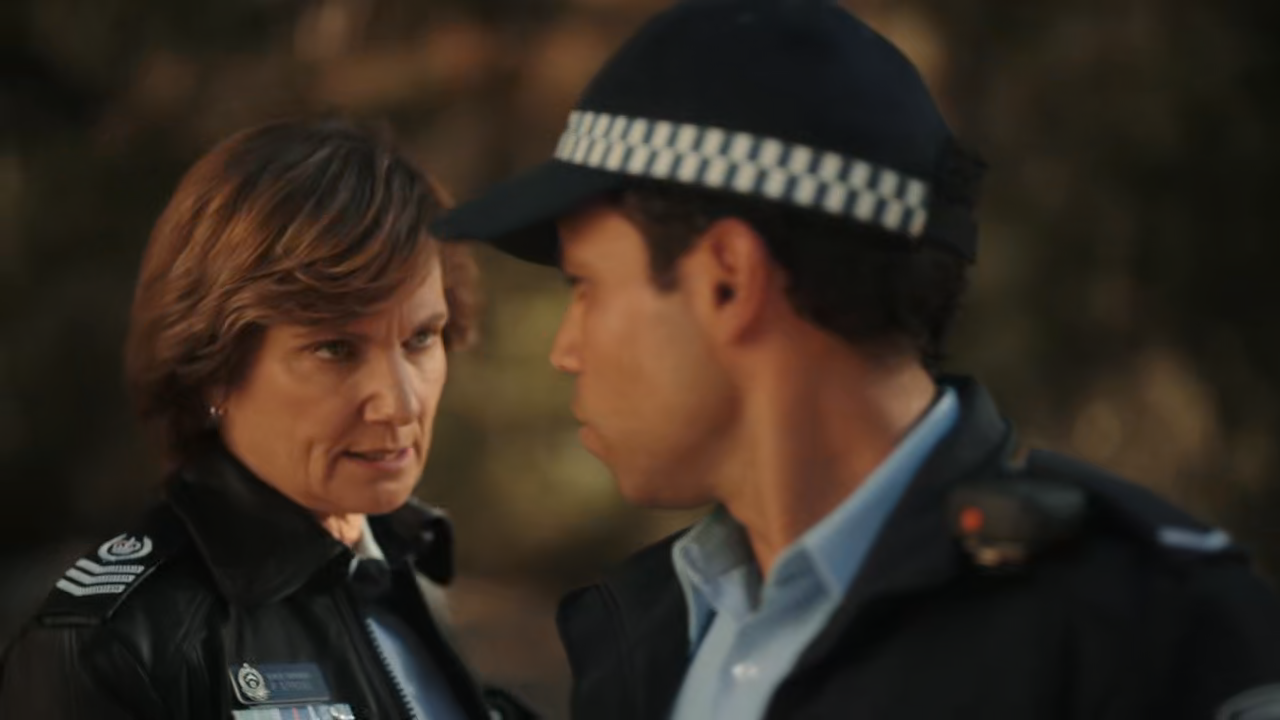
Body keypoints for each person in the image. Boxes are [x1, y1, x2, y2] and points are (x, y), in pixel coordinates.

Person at [431, 1, 1280, 718]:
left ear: (729, 280)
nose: (565, 350)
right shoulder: (650, 632)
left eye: (586, 286)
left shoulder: (1145, 635)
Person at [0, 118, 533, 719]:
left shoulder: (403, 573)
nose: (401, 404)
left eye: (421, 338)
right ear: (212, 369)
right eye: (335, 349)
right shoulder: (116, 644)